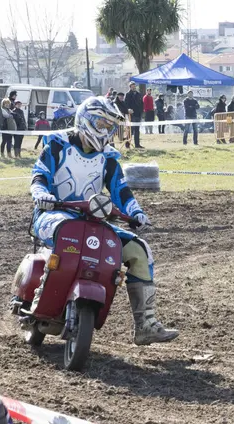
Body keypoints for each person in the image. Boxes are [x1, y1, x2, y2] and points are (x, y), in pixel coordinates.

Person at [29, 96, 179, 346]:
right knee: (65, 231)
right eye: (100, 123)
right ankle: (40, 294)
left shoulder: (109, 158)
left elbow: (121, 192)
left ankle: (145, 324)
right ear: (85, 119)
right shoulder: (56, 145)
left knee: (140, 250)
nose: (104, 130)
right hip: (52, 216)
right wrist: (41, 195)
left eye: (110, 126)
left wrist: (136, 212)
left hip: (92, 221)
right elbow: (39, 176)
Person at [125, 81, 143, 148]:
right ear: (130, 87)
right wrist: (129, 110)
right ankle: (127, 144)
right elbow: (126, 104)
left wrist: (141, 112)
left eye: (134, 86)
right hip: (131, 115)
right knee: (130, 130)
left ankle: (137, 145)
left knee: (137, 130)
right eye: (132, 86)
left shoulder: (139, 94)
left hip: (138, 114)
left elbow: (141, 103)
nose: (134, 87)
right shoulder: (128, 94)